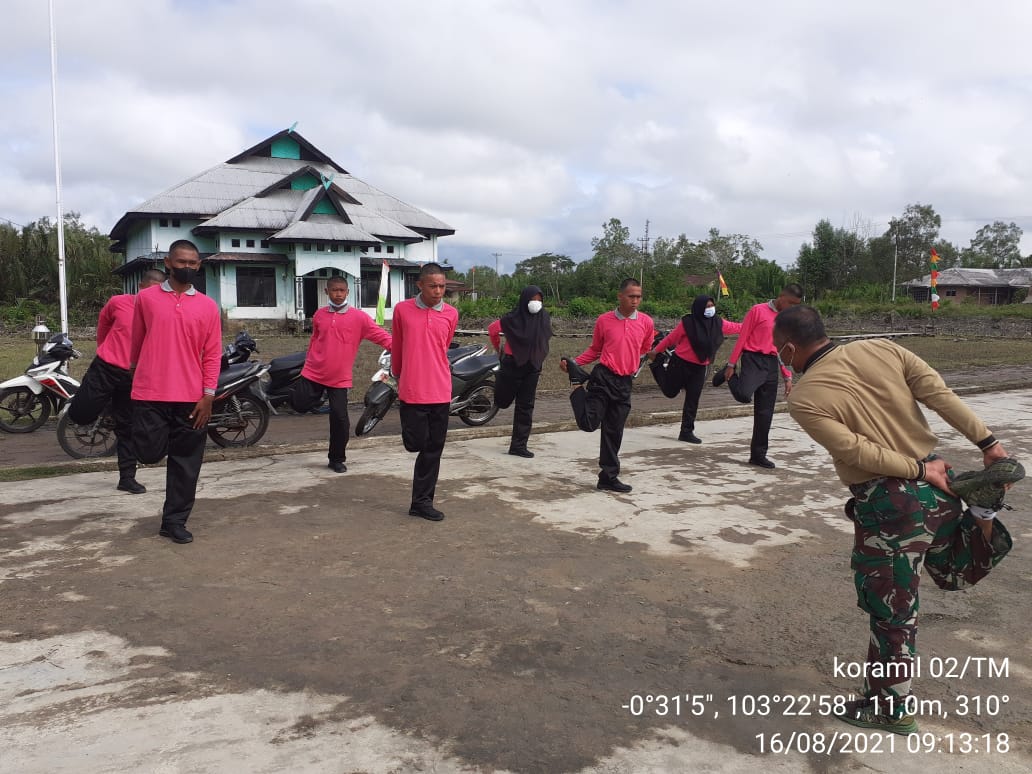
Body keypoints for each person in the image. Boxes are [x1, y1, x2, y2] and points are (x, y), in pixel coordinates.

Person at [774, 305, 1017, 735]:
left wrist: (917, 472)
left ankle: (891, 708)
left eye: (781, 351)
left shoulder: (805, 398)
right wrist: (988, 443)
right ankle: (981, 513)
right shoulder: (884, 348)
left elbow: (855, 451)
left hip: (891, 505)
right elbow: (939, 394)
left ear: (789, 347)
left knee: (892, 608)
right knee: (952, 573)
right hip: (941, 485)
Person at [129, 240, 221, 545]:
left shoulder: (208, 306)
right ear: (168, 262)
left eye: (193, 263)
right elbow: (137, 342)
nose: (187, 267)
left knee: (186, 463)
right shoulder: (145, 299)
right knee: (149, 452)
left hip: (191, 398)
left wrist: (208, 394)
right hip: (150, 393)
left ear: (199, 266)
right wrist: (134, 376)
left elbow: (212, 353)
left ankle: (174, 522)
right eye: (181, 262)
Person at [68, 268, 167, 494]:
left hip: (134, 376)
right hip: (105, 368)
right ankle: (106, 407)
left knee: (128, 428)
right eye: (148, 291)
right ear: (140, 288)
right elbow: (103, 326)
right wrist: (104, 350)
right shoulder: (118, 302)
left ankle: (127, 478)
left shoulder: (160, 313)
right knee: (80, 414)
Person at [560, 278, 655, 493]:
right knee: (589, 423)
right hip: (603, 378)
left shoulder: (646, 322)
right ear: (620, 296)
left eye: (639, 296)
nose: (635, 301)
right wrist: (573, 363)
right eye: (631, 296)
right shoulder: (604, 320)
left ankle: (608, 477)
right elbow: (595, 349)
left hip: (624, 383)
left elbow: (645, 348)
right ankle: (576, 386)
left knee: (614, 432)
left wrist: (630, 363)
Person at [291, 276, 392, 473]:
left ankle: (336, 458)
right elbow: (315, 340)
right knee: (299, 404)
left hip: (339, 378)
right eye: (334, 290)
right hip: (314, 371)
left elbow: (381, 336)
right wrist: (309, 360)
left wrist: (403, 348)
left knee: (339, 418)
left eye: (342, 290)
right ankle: (310, 397)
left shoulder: (359, 317)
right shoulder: (319, 314)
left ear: (348, 292)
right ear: (326, 292)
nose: (338, 294)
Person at [391, 263, 458, 522]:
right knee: (416, 443)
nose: (438, 291)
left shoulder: (451, 314)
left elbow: (443, 346)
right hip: (411, 389)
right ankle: (412, 442)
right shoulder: (402, 310)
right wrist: (397, 374)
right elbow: (398, 344)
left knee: (433, 450)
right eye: (433, 286)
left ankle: (422, 502)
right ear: (419, 285)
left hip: (440, 390)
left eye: (442, 286)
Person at [715, 283, 802, 468]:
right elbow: (743, 337)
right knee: (744, 395)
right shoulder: (758, 310)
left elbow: (784, 350)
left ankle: (758, 455)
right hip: (753, 358)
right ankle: (727, 375)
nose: (793, 308)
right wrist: (731, 364)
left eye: (797, 305)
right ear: (781, 297)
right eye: (791, 303)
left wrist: (787, 376)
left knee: (765, 413)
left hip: (771, 363)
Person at [648, 294, 742, 443]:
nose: (710, 309)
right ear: (699, 308)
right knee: (670, 392)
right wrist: (655, 351)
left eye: (712, 306)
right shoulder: (688, 323)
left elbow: (738, 327)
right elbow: (670, 339)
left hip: (700, 367)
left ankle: (686, 431)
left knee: (693, 399)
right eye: (707, 306)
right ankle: (657, 365)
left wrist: (754, 326)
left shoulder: (718, 323)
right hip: (680, 363)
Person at [488, 285, 553, 458]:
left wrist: (539, 357)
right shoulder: (512, 318)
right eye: (533, 299)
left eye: (539, 300)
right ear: (525, 300)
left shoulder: (544, 317)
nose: (536, 303)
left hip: (532, 366)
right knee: (502, 399)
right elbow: (492, 329)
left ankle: (518, 445)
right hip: (512, 363)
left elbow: (544, 340)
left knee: (526, 406)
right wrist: (498, 348)